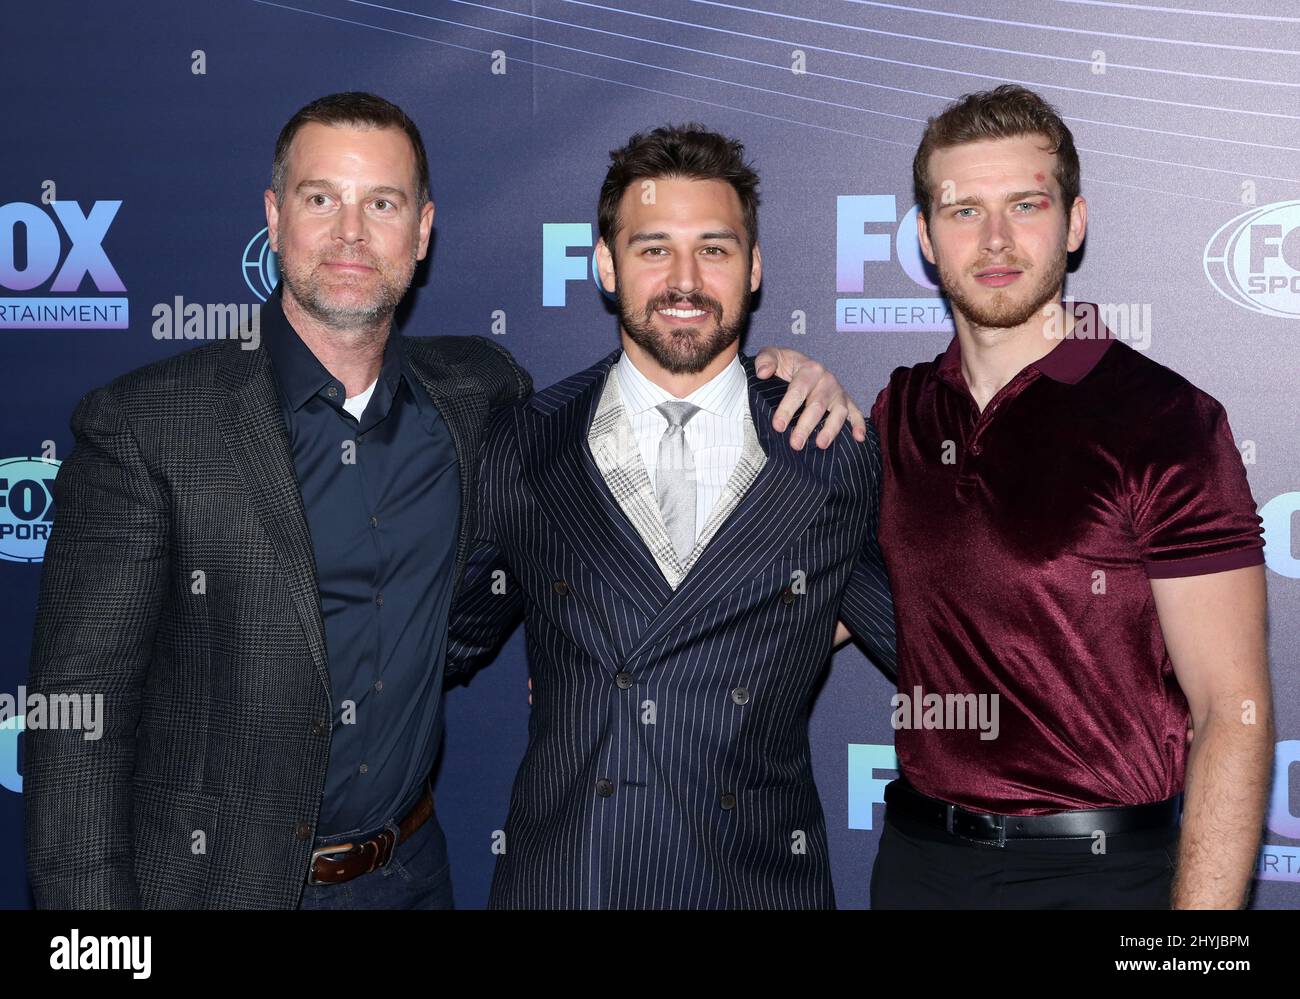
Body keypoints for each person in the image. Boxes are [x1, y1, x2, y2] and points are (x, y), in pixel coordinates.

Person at [24, 94, 864, 909]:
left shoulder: (479, 399)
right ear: (274, 217)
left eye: (382, 202)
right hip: (222, 885)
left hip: (410, 872)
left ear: (422, 231)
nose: (352, 232)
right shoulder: (147, 425)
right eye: (323, 199)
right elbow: (78, 724)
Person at [445, 124, 897, 909]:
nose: (684, 280)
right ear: (605, 265)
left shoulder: (833, 452)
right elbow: (435, 645)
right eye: (654, 248)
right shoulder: (523, 443)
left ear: (753, 269)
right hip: (569, 883)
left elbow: (944, 633)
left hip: (755, 887)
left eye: (714, 249)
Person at [864, 84, 1272, 909]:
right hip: (917, 866)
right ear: (925, 239)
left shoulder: (1167, 420)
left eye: (1025, 204)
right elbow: (807, 594)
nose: (996, 240)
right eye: (964, 211)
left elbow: (1232, 711)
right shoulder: (897, 411)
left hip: (1098, 874)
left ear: (1074, 222)